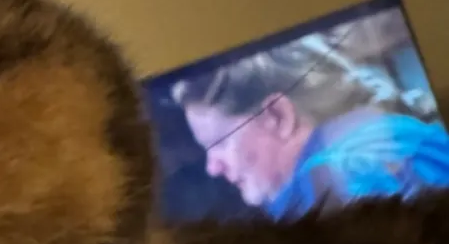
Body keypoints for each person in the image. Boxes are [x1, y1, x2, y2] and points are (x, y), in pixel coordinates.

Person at [172, 37, 449, 219]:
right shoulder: (368, 145)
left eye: (220, 142)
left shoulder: (343, 179)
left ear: (277, 116)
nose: (212, 167)